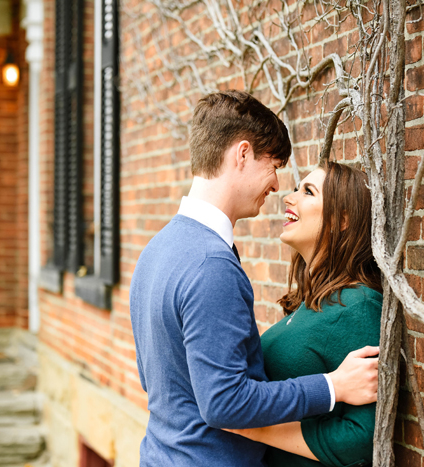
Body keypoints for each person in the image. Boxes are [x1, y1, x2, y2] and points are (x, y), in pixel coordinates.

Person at [129, 90, 379, 467]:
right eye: (274, 165)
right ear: (242, 154)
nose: (278, 185)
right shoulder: (209, 264)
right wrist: (334, 386)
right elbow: (224, 403)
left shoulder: (156, 250)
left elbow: (156, 380)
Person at [226, 160, 382, 467]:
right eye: (297, 188)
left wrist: (256, 429)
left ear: (342, 219)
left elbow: (363, 437)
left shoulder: (360, 306)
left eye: (307, 192)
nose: (289, 197)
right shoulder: (311, 303)